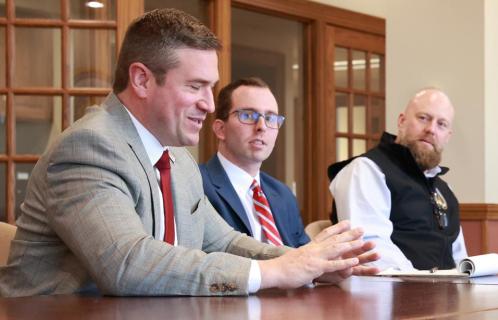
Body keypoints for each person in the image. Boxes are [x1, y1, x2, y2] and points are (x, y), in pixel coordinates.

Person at [0, 8, 379, 297]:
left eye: (210, 88)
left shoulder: (178, 157)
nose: (210, 105)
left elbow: (220, 240)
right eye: (196, 86)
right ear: (142, 79)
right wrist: (274, 273)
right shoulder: (89, 146)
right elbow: (128, 264)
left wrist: (304, 263)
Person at [328, 88, 467, 271]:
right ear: (402, 121)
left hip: (445, 293)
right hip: (392, 294)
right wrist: (427, 286)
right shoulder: (367, 170)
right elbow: (371, 249)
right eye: (423, 118)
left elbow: (458, 256)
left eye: (441, 124)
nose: (431, 129)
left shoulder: (443, 189)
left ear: (447, 136)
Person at [199, 77, 309, 248]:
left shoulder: (283, 195)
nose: (262, 126)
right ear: (221, 129)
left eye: (271, 118)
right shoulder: (196, 185)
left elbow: (305, 258)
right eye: (248, 115)